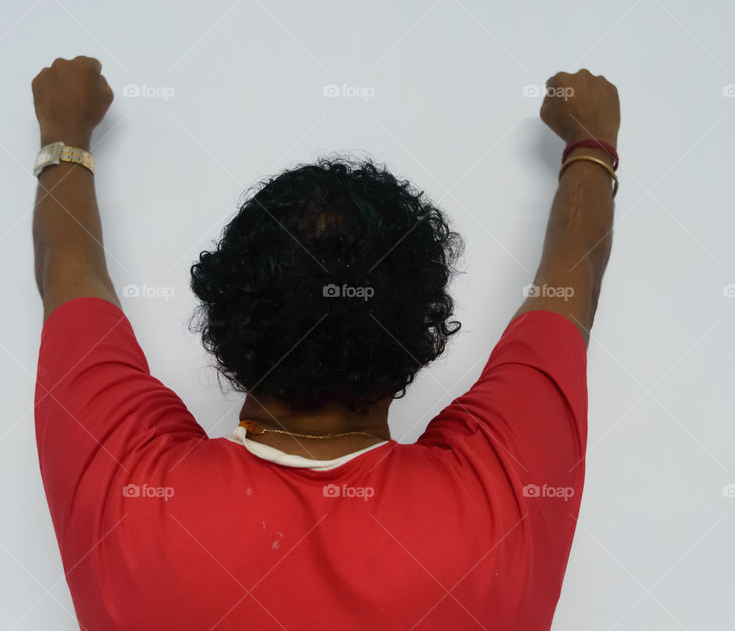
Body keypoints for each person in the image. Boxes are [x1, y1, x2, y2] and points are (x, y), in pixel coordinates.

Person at [31, 56, 618, 630]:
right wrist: (591, 145)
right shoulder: (498, 502)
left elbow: (68, 272)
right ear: (420, 336)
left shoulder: (129, 497)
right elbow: (572, 282)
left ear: (225, 320)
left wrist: (65, 134)